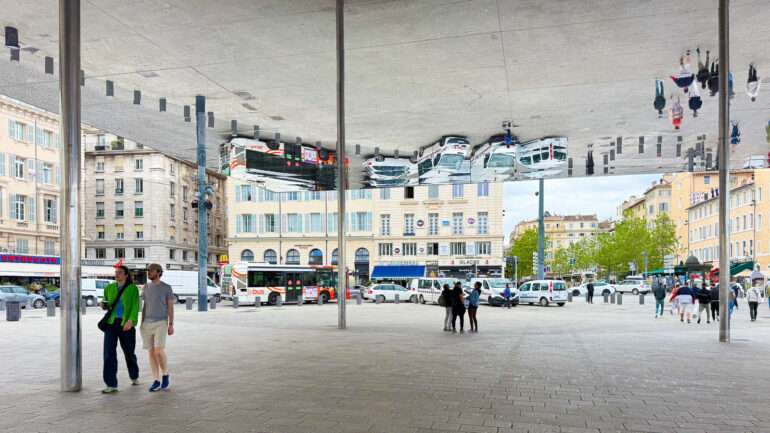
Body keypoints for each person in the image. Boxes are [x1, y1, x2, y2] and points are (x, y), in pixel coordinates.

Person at [100, 265, 141, 394]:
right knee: (108, 354)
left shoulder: (132, 288)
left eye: (120, 272)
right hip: (111, 324)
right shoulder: (109, 287)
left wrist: (131, 320)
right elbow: (105, 301)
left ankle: (134, 375)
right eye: (116, 272)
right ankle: (111, 384)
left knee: (129, 353)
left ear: (126, 275)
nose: (117, 274)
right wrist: (103, 304)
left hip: (126, 324)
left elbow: (135, 305)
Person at [141, 263, 175, 392]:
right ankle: (156, 380)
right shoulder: (146, 287)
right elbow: (145, 305)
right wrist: (142, 322)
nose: (149, 272)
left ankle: (165, 374)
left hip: (161, 322)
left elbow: (170, 306)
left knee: (158, 350)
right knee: (151, 352)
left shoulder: (166, 287)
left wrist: (171, 324)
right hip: (146, 324)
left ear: (158, 272)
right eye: (148, 270)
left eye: (151, 270)